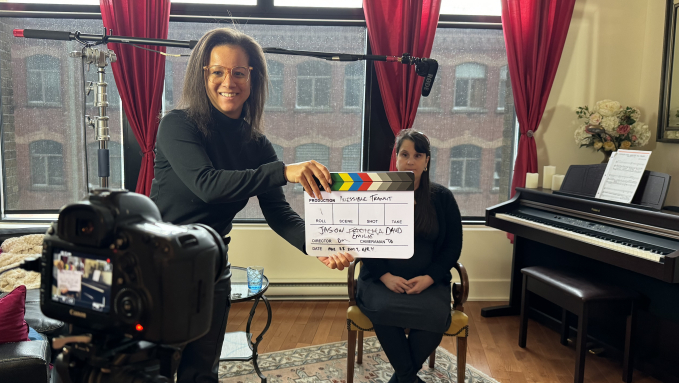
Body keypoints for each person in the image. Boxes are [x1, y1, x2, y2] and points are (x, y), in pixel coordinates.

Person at [149, 27, 352, 382]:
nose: (229, 81)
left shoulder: (256, 143)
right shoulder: (177, 125)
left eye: (239, 72)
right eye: (218, 71)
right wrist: (282, 171)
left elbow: (279, 213)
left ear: (252, 79)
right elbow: (207, 185)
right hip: (159, 266)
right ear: (203, 75)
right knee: (156, 371)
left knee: (203, 370)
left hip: (212, 265)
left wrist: (320, 243)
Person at [356, 129, 463, 383]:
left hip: (427, 283)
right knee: (382, 308)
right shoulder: (377, 194)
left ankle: (402, 379)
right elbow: (364, 240)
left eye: (418, 155)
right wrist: (385, 276)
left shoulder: (443, 198)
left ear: (427, 161)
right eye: (405, 154)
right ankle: (408, 378)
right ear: (396, 158)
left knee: (437, 315)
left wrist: (429, 277)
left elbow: (452, 247)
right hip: (381, 282)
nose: (410, 161)